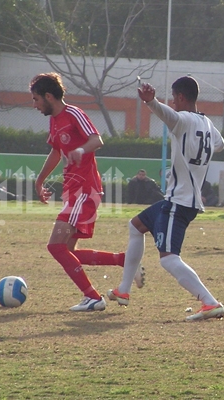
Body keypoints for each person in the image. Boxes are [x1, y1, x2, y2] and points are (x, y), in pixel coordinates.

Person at [107, 76, 224, 322]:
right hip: (179, 199)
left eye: (174, 97)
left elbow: (167, 115)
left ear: (181, 97)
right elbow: (220, 144)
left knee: (169, 259)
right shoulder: (206, 122)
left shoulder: (182, 120)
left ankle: (210, 302)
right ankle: (124, 290)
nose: (172, 101)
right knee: (136, 226)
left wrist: (151, 102)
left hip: (179, 201)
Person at [31, 72, 144, 312]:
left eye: (36, 99)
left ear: (48, 96)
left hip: (85, 189)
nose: (35, 105)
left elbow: (97, 140)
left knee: (56, 247)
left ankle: (92, 297)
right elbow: (56, 152)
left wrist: (81, 150)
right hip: (73, 191)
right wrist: (40, 181)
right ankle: (125, 260)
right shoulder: (54, 120)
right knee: (68, 252)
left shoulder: (73, 114)